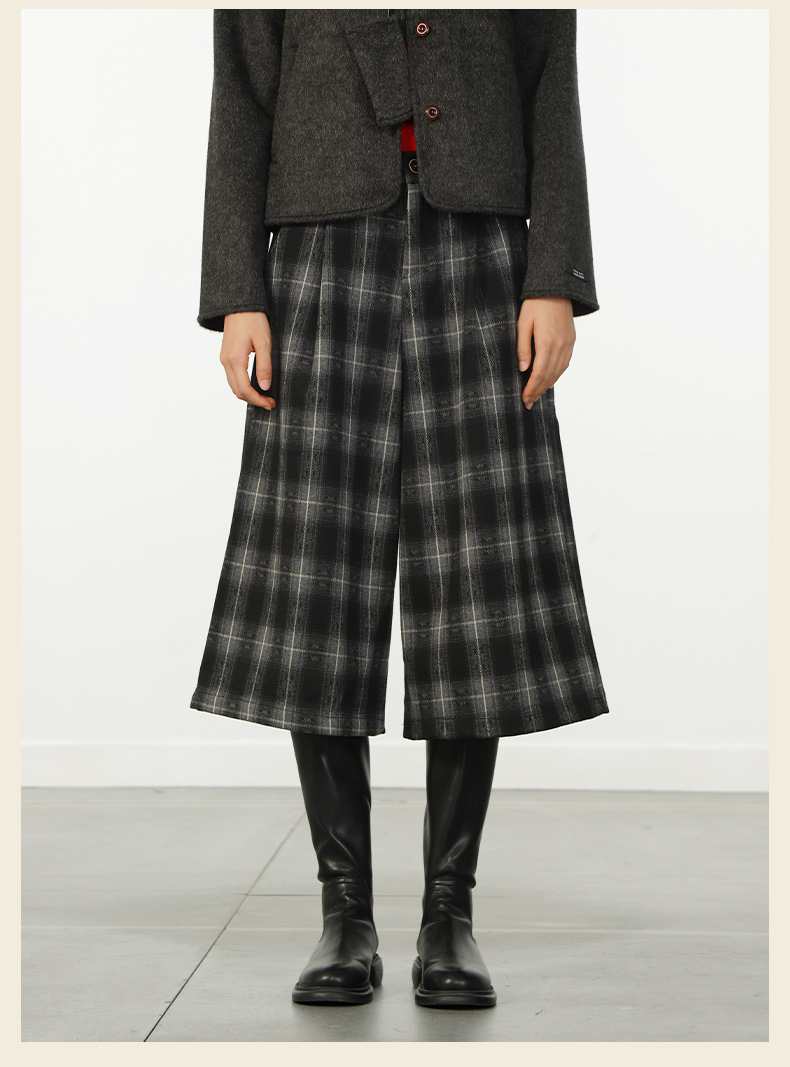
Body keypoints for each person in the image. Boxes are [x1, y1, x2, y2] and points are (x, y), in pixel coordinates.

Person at [190, 8, 610, 1009]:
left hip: (483, 248)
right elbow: (241, 92)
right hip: (318, 249)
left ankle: (448, 914)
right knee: (315, 584)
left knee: (478, 584)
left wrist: (554, 272)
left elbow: (550, 78)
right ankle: (345, 913)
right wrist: (238, 289)